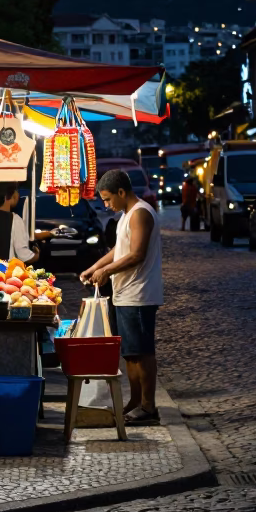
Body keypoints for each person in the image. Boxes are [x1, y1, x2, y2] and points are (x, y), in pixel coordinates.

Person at [80, 168, 163, 425]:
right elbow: (119, 249)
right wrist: (96, 267)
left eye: (107, 199)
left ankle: (149, 407)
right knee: (129, 352)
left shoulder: (140, 213)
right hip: (123, 293)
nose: (105, 205)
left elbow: (136, 254)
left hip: (139, 295)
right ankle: (135, 402)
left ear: (121, 192)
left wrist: (106, 270)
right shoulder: (127, 215)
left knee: (142, 352)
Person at [0, 181, 39, 263]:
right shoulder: (15, 219)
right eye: (16, 192)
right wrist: (37, 255)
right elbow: (24, 256)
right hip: (5, 272)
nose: (18, 195)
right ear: (7, 197)